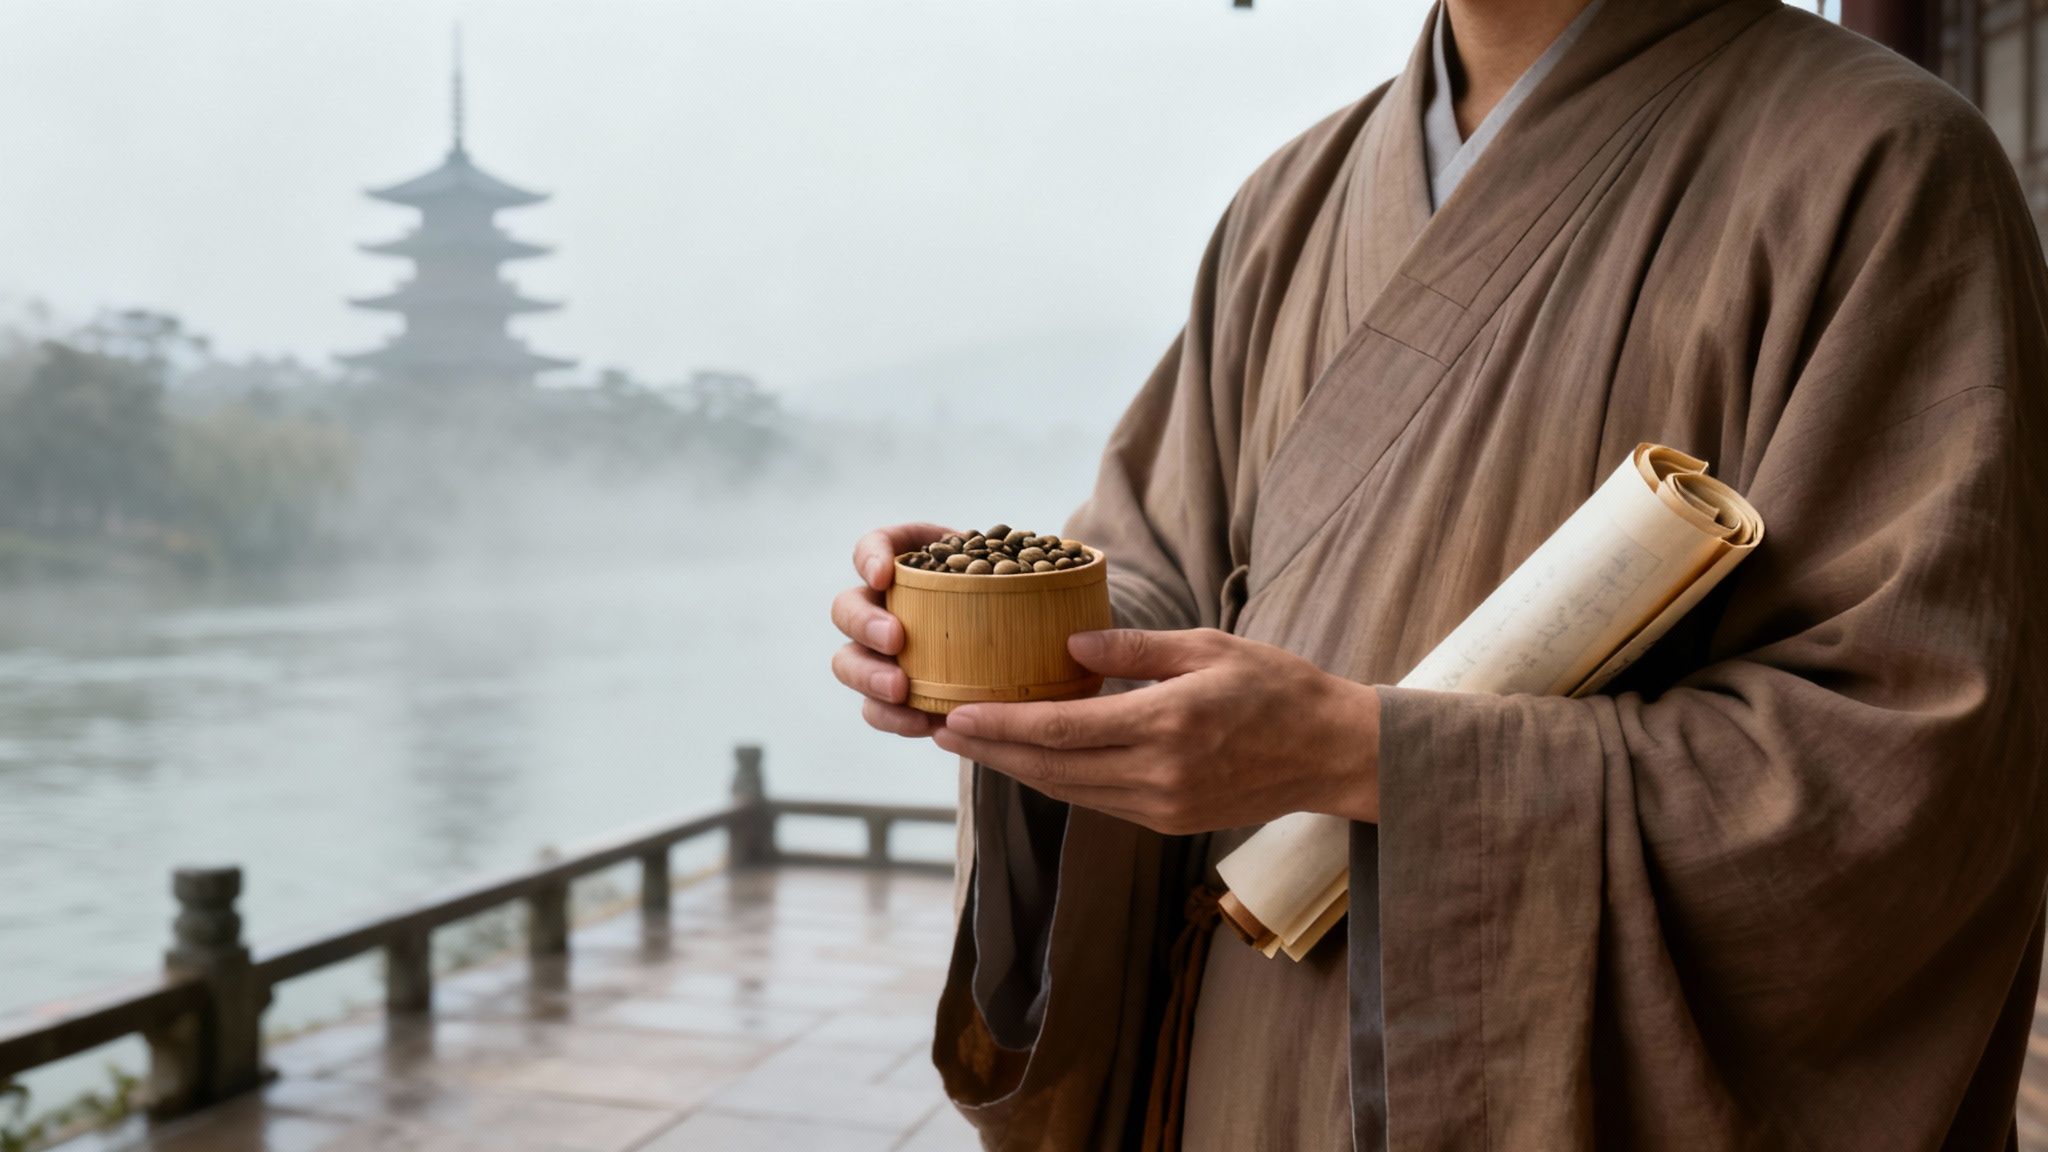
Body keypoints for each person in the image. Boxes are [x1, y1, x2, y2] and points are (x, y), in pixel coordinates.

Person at [829, 0, 2048, 1147]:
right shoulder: (1292, 201)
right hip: (1233, 1059)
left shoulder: (1879, 164)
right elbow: (1164, 566)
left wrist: (1362, 756)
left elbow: (1913, 765)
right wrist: (1021, 647)